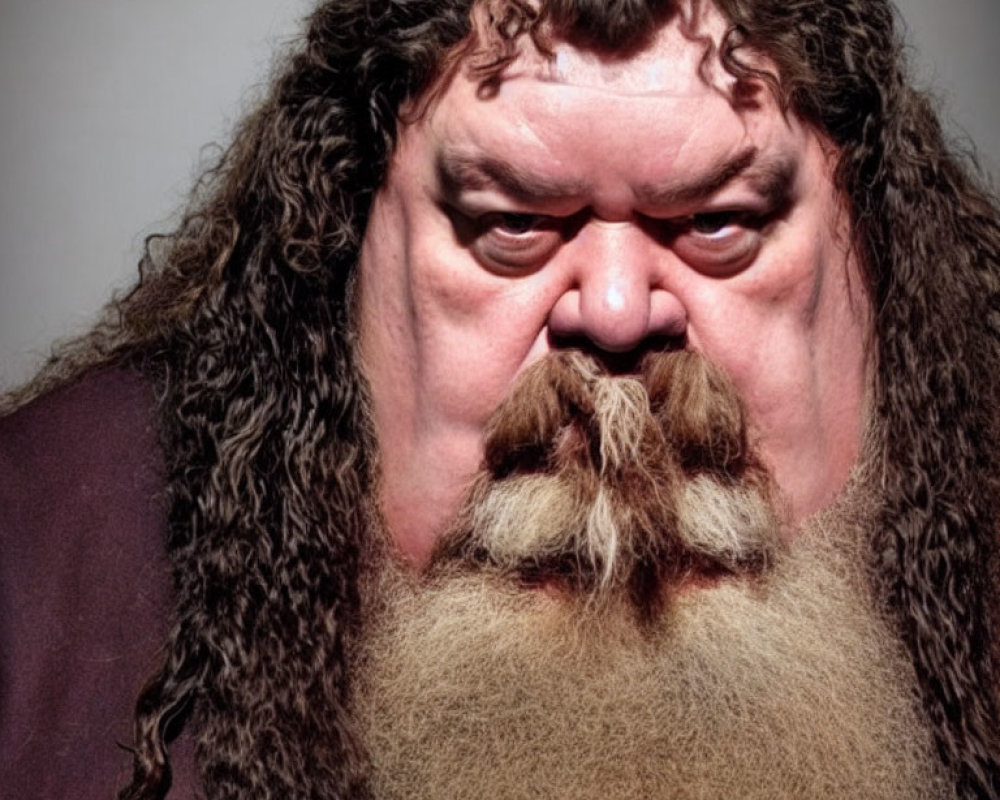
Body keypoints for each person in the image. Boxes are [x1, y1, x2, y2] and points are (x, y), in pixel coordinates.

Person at [2, 0, 999, 798]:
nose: (614, 312)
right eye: (512, 223)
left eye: (720, 223)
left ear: (875, 254)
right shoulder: (33, 561)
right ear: (344, 255)